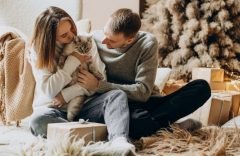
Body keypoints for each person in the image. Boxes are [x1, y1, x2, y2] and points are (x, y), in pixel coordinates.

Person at [77, 8, 211, 139]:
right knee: (135, 122)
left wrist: (98, 85)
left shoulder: (147, 43)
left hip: (144, 99)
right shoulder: (93, 38)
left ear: (129, 40)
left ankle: (154, 125)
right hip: (120, 104)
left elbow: (142, 93)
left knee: (201, 87)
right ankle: (171, 127)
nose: (104, 41)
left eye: (111, 41)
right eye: (105, 33)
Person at [28, 6, 135, 153]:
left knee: (117, 95)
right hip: (55, 110)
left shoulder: (84, 42)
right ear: (50, 39)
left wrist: (68, 93)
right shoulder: (39, 51)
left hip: (86, 105)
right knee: (37, 120)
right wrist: (72, 62)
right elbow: (50, 91)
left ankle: (119, 142)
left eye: (72, 29)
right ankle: (93, 138)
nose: (72, 36)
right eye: (64, 35)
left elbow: (100, 78)